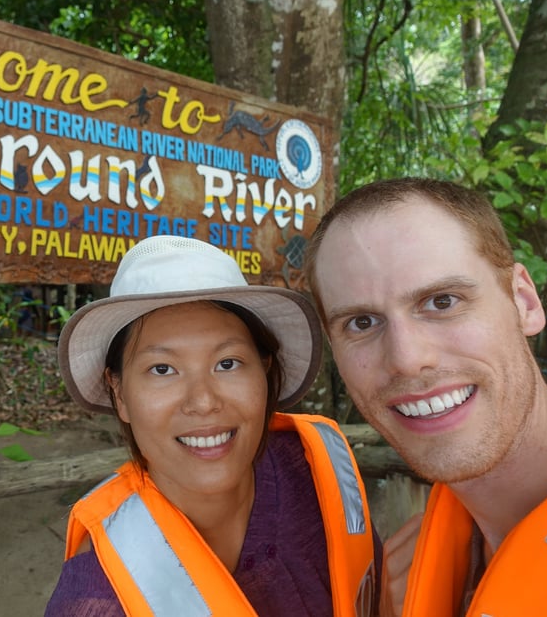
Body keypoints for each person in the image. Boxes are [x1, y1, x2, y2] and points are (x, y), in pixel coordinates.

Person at [46, 234, 379, 616]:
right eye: (162, 369)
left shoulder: (317, 468)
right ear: (119, 394)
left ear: (265, 371)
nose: (203, 402)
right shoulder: (96, 600)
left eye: (227, 363)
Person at [302, 177, 547, 617]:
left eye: (442, 301)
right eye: (361, 323)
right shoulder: (430, 560)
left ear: (525, 302)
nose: (407, 359)